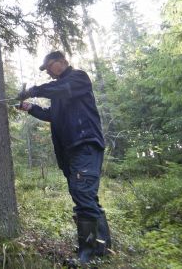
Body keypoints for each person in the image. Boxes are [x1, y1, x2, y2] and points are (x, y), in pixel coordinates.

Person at [16, 51, 111, 264]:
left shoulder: (78, 78)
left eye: (50, 66)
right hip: (71, 151)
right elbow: (52, 115)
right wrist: (29, 107)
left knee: (83, 194)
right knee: (85, 197)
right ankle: (103, 248)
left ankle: (87, 256)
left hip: (84, 144)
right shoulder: (60, 92)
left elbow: (60, 89)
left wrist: (33, 91)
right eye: (47, 69)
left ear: (63, 62)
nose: (49, 71)